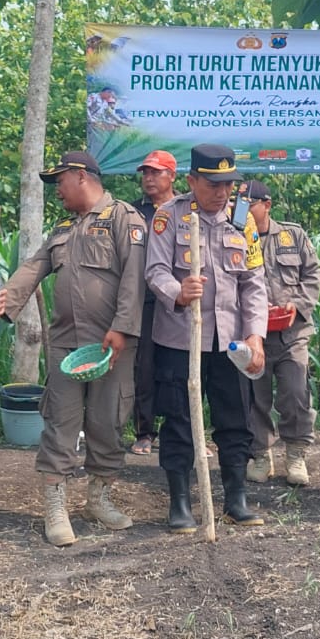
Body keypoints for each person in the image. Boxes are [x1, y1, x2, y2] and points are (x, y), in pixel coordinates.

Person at [0, 151, 146, 546]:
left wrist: (122, 328)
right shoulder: (63, 227)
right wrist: (7, 299)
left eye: (60, 181)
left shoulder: (123, 219)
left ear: (81, 177)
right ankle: (55, 507)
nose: (57, 191)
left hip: (111, 343)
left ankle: (99, 497)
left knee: (106, 421)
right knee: (60, 420)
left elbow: (134, 279)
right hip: (65, 344)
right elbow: (36, 265)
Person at [144, 143, 268, 531]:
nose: (222, 193)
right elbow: (156, 271)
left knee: (236, 417)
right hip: (181, 340)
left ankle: (236, 498)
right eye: (213, 184)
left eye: (228, 185)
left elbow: (254, 284)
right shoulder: (169, 216)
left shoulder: (242, 219)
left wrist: (256, 337)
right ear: (192, 180)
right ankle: (180, 502)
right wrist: (177, 292)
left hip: (231, 342)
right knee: (179, 418)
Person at [241, 181, 320, 487]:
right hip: (253, 333)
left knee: (295, 391)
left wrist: (296, 304)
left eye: (249, 204)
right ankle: (261, 454)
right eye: (240, 205)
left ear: (266, 204)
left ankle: (296, 453)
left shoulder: (293, 234)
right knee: (255, 396)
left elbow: (313, 273)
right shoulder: (235, 237)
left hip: (292, 331)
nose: (244, 211)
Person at [130, 149, 178, 456]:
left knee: (178, 367)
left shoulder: (186, 209)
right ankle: (144, 431)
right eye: (145, 172)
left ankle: (179, 428)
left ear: (172, 176)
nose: (149, 178)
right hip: (145, 300)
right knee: (143, 367)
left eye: (156, 172)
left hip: (179, 301)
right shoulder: (132, 213)